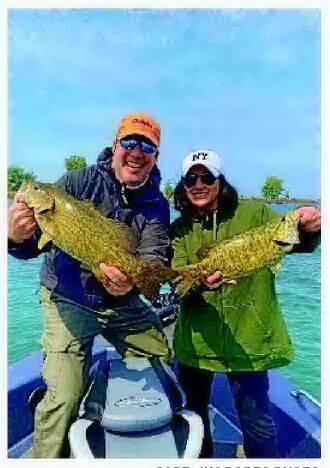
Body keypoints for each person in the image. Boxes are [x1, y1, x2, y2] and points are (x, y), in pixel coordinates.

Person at [8, 112, 172, 458]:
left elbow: (154, 253)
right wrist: (14, 237)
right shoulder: (77, 182)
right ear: (115, 146)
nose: (136, 152)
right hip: (68, 298)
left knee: (160, 361)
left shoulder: (157, 203)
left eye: (147, 146)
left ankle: (117, 422)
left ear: (155, 156)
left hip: (123, 303)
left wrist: (131, 283)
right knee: (63, 396)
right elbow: (29, 247)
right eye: (129, 142)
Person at [170, 149, 321, 458]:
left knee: (257, 423)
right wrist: (199, 282)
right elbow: (178, 283)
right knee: (195, 419)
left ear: (220, 181)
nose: (198, 184)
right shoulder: (179, 230)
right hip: (197, 342)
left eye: (207, 176)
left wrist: (309, 225)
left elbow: (297, 242)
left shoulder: (257, 216)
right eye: (190, 178)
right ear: (183, 185)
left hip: (249, 340)